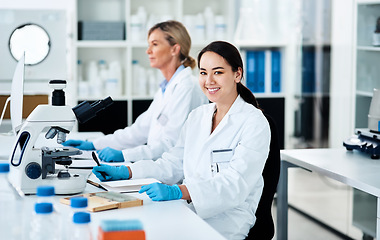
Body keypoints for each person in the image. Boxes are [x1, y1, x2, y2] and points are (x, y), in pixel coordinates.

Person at [92, 41, 271, 239]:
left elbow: (234, 186)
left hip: (227, 222)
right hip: (187, 209)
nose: (209, 80)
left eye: (218, 72)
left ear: (237, 74)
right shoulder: (198, 116)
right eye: (203, 73)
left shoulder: (254, 122)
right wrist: (128, 171)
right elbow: (173, 164)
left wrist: (179, 191)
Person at [63, 20, 208, 162]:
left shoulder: (187, 87)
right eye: (148, 44)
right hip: (160, 166)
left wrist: (125, 156)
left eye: (155, 44)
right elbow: (139, 131)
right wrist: (94, 144)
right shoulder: (166, 88)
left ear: (174, 49)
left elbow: (171, 143)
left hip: (177, 173)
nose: (148, 51)